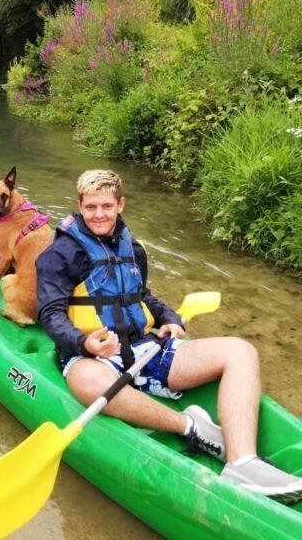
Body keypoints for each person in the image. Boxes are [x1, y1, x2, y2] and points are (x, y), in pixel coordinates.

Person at [36, 169, 302, 502]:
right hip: (91, 355)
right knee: (92, 384)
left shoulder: (132, 247)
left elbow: (141, 294)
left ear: (120, 204)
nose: (99, 214)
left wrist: (170, 317)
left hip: (143, 349)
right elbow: (50, 314)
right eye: (91, 207)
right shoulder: (58, 255)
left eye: (106, 206)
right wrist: (83, 341)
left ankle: (242, 463)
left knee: (240, 350)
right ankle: (188, 426)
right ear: (79, 205)